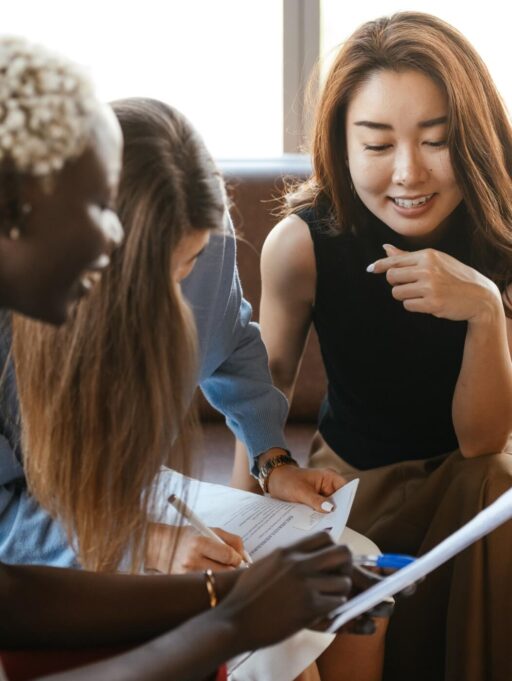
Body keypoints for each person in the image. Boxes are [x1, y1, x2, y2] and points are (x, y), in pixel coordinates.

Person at [0, 36, 354, 681]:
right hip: (41, 538)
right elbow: (11, 569)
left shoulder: (206, 247)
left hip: (127, 495)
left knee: (340, 576)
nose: (171, 306)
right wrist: (158, 552)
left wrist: (272, 459)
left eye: (188, 265)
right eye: (138, 277)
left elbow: (232, 343)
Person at [231, 11, 512, 681]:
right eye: (378, 143)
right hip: (353, 479)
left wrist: (485, 312)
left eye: (436, 140)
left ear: (471, 140)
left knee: (499, 478)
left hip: (469, 481)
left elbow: (482, 442)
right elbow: (260, 383)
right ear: (341, 143)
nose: (409, 173)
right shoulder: (301, 246)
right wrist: (237, 532)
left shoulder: (501, 234)